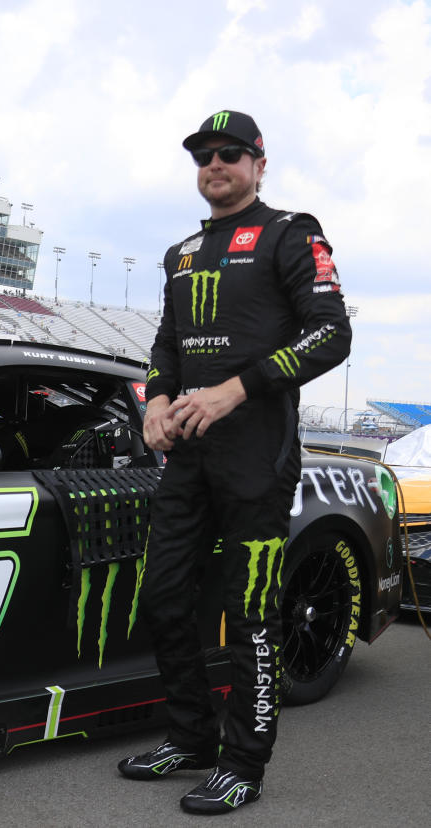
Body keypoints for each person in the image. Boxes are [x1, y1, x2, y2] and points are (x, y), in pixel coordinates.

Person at [118, 111, 351, 814]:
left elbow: (332, 335)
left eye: (228, 154)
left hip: (257, 457)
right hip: (187, 456)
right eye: (202, 156)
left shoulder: (291, 233)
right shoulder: (181, 251)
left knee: (249, 610)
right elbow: (167, 343)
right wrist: (155, 401)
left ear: (258, 162)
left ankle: (245, 761)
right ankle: (190, 737)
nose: (213, 165)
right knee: (163, 596)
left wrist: (235, 389)